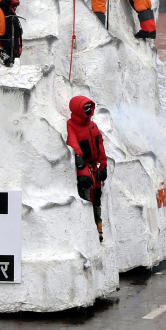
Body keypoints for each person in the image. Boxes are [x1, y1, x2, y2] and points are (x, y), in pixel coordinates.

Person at [66, 96, 108, 242]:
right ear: (78, 109)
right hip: (84, 168)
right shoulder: (71, 125)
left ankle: (99, 230)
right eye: (85, 108)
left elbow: (100, 145)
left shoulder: (93, 126)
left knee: (97, 199)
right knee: (85, 196)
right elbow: (72, 141)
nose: (89, 110)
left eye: (90, 107)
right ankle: (86, 235)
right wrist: (79, 159)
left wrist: (103, 165)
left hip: (94, 169)